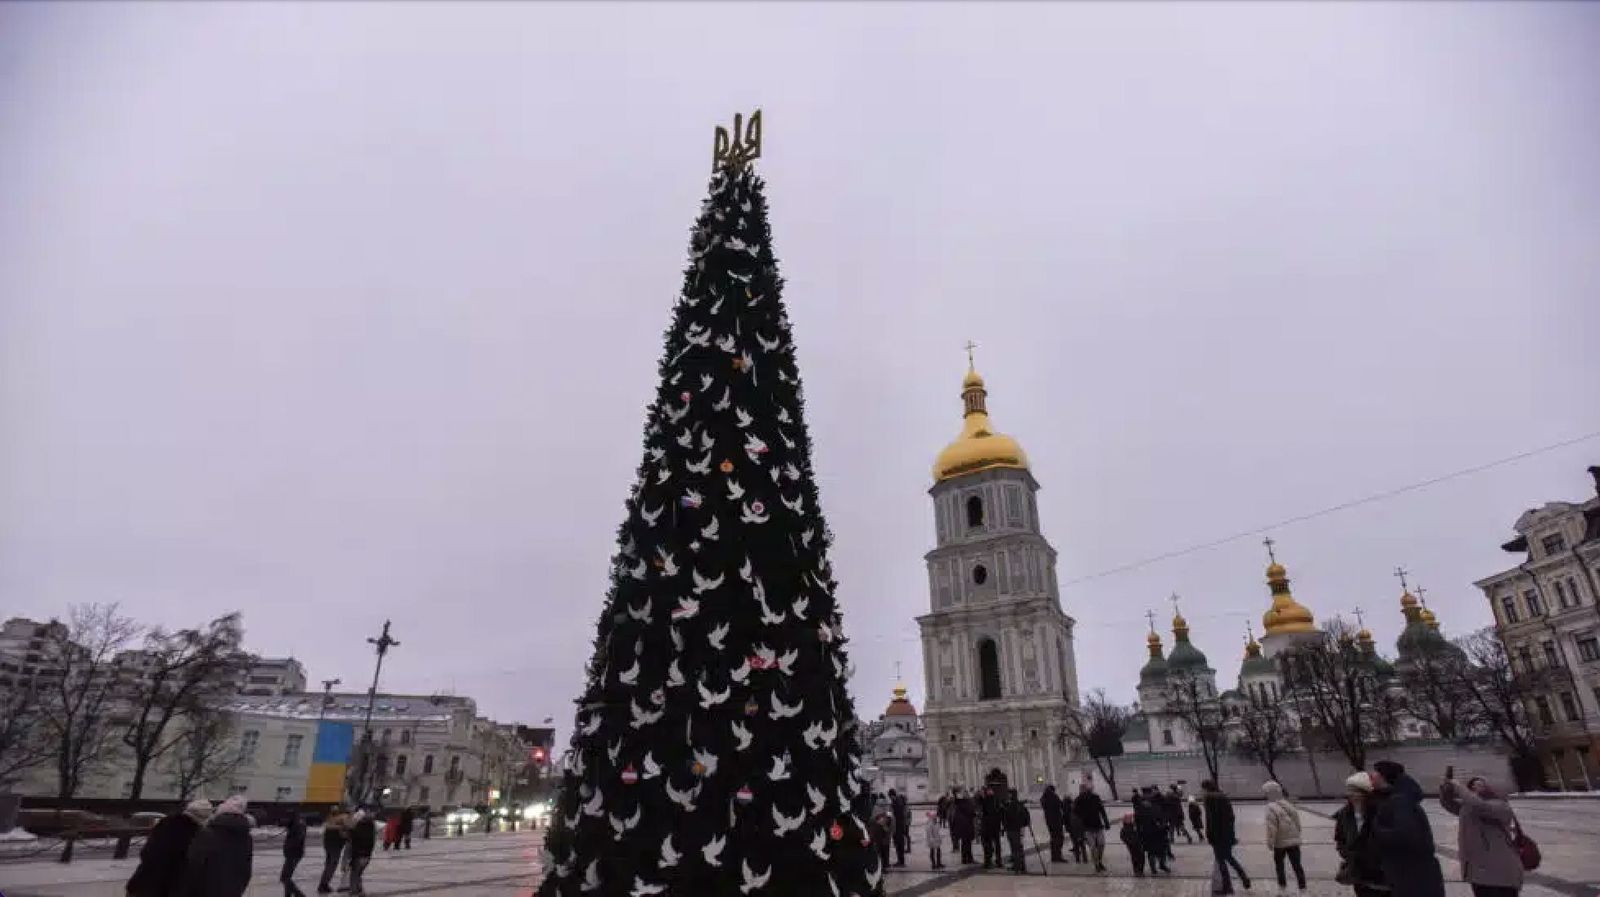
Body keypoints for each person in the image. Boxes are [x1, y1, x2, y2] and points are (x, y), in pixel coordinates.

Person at [1367, 761, 1445, 897]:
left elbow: (1404, 835)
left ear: (1384, 776)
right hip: (1408, 873)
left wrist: (1376, 829)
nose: (1371, 776)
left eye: (1375, 772)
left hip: (1413, 877)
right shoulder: (1395, 798)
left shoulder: (1401, 802)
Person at [1439, 773, 1523, 897]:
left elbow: (1481, 806)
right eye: (1472, 786)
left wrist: (1460, 788)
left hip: (1501, 868)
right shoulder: (1468, 808)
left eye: (1479, 784)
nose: (1474, 787)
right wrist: (1446, 790)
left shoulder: (1501, 806)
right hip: (1479, 870)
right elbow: (1449, 804)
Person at [127, 799, 212, 897]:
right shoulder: (195, 833)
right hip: (166, 887)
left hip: (142, 881)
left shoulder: (165, 823)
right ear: (203, 818)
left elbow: (146, 852)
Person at [179, 795, 253, 897]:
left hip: (205, 889)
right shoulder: (246, 837)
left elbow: (194, 863)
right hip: (233, 890)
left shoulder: (208, 833)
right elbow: (246, 870)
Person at [1335, 772, 1387, 897]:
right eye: (1349, 791)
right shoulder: (1344, 814)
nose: (1351, 795)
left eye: (1355, 791)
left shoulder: (1380, 811)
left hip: (1381, 873)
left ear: (1365, 793)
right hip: (1358, 873)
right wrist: (1348, 854)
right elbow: (1340, 838)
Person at [1202, 779, 1251, 894]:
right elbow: (1231, 818)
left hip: (1217, 836)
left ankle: (1227, 887)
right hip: (1227, 835)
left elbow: (1211, 820)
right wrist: (1231, 835)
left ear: (1206, 788)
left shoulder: (1209, 798)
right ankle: (1244, 878)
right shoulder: (1223, 797)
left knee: (1221, 861)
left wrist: (1209, 835)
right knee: (1229, 858)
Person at [1263, 781, 1306, 891]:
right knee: (1297, 865)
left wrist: (1270, 842)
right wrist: (1297, 834)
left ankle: (1282, 887)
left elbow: (1271, 828)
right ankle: (1303, 887)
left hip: (1280, 843)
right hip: (1294, 841)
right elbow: (1297, 821)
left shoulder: (1270, 807)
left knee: (1279, 865)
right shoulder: (1288, 804)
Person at [1072, 782, 1111, 873]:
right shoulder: (1078, 799)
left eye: (1085, 788)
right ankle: (1097, 864)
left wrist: (1106, 822)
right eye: (1083, 789)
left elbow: (1102, 810)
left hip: (1098, 825)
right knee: (1093, 847)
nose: (1085, 790)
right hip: (1087, 828)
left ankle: (1099, 861)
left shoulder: (1095, 797)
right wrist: (1082, 819)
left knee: (1101, 845)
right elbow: (1074, 812)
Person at [1133, 789, 1170, 874]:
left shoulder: (1152, 807)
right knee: (1154, 852)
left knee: (1157, 851)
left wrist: (1163, 825)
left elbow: (1163, 818)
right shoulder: (1150, 808)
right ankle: (1156, 867)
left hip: (1155, 833)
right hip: (1151, 833)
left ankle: (1159, 866)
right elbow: (1137, 823)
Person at [317, 806, 350, 894]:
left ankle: (324, 884)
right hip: (335, 847)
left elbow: (325, 831)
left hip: (328, 846)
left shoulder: (330, 820)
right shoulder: (341, 822)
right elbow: (344, 835)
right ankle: (323, 885)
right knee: (331, 866)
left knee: (328, 865)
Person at [347, 809, 377, 897]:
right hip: (367, 854)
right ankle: (359, 889)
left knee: (355, 873)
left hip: (358, 854)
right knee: (359, 873)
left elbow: (353, 836)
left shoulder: (360, 827)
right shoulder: (371, 829)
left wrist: (350, 829)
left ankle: (354, 890)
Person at [282, 810, 308, 897]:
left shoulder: (298, 825)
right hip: (294, 853)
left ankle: (299, 894)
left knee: (284, 877)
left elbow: (298, 839)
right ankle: (288, 894)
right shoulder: (296, 824)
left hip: (294, 853)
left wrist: (289, 848)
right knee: (287, 876)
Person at [1002, 789, 1029, 874]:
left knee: (1015, 849)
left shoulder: (1011, 806)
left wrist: (1005, 827)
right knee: (1019, 848)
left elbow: (1006, 818)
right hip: (1018, 829)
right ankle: (1021, 866)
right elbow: (1027, 818)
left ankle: (1017, 867)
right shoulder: (1020, 805)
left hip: (1013, 830)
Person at [978, 785, 1003, 869]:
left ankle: (997, 860)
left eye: (990, 790)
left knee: (995, 845)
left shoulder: (994, 800)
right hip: (989, 827)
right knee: (989, 845)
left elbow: (999, 813)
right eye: (988, 790)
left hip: (992, 826)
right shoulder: (986, 800)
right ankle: (989, 861)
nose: (989, 792)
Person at [1039, 784, 1066, 862]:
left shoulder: (1044, 798)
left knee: (1053, 838)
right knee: (1059, 838)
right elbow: (1061, 805)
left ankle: (1054, 856)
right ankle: (1058, 856)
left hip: (1049, 821)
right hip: (1056, 820)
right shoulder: (1054, 797)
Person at [949, 787, 976, 864]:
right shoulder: (961, 802)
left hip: (967, 826)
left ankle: (968, 858)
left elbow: (972, 812)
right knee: (965, 843)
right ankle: (965, 859)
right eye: (965, 793)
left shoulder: (968, 802)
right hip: (964, 827)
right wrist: (955, 792)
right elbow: (956, 800)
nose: (967, 795)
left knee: (967, 843)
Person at [889, 788, 910, 867]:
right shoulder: (899, 802)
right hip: (900, 826)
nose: (890, 798)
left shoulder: (896, 803)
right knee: (899, 844)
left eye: (890, 797)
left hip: (897, 827)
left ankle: (900, 862)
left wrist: (887, 814)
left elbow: (892, 815)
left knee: (898, 845)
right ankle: (901, 861)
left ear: (892, 795)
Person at [868, 809, 892, 874]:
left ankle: (882, 868)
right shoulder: (874, 821)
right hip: (877, 840)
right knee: (879, 855)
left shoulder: (887, 817)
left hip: (880, 840)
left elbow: (887, 830)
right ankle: (880, 868)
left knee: (882, 855)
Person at [1066, 798, 1087, 863]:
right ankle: (1084, 859)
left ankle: (1078, 859)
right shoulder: (1079, 813)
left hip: (1075, 832)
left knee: (1077, 846)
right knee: (1082, 846)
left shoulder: (1072, 814)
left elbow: (1072, 824)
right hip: (1079, 832)